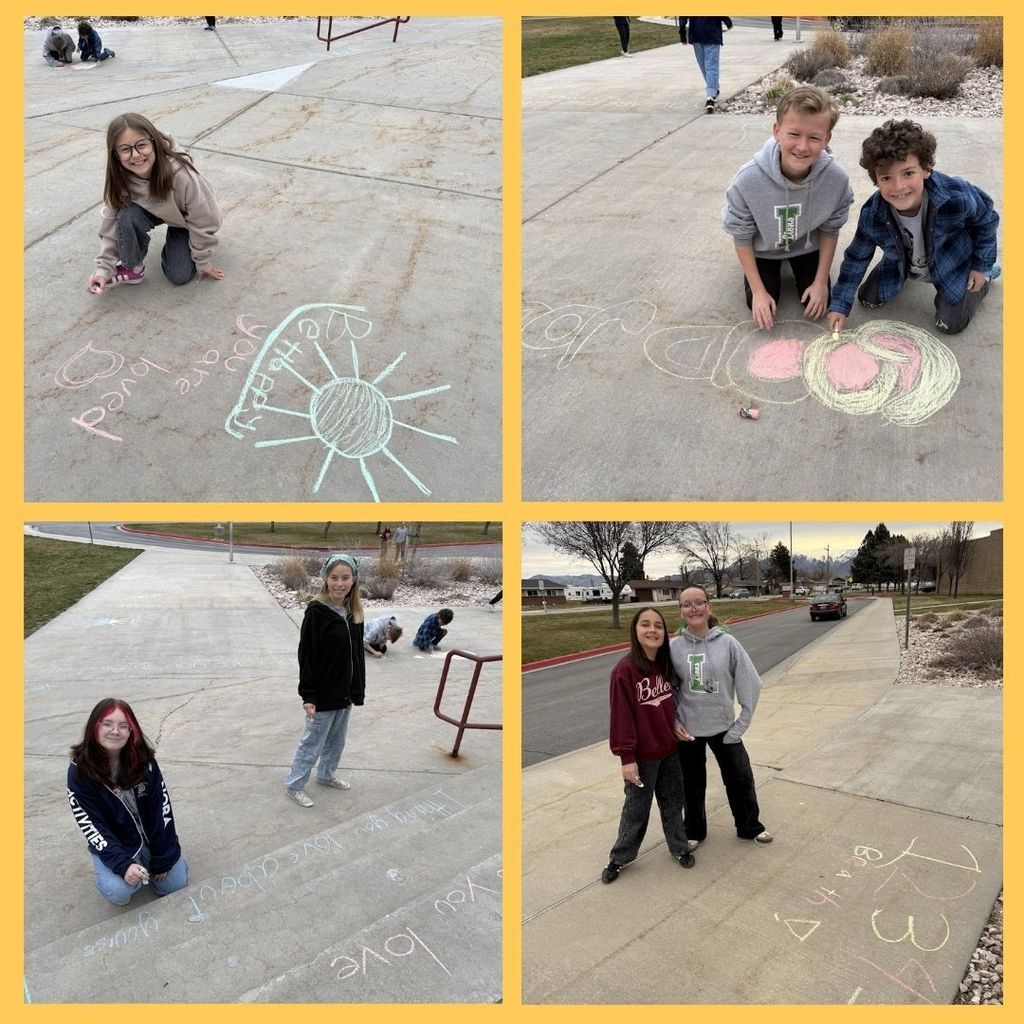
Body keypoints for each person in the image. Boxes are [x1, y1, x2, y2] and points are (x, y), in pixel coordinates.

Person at [827, 119, 1000, 337]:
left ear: (926, 169)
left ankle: (985, 278)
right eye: (887, 177)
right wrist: (840, 304)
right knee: (866, 299)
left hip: (952, 263)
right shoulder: (873, 213)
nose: (898, 187)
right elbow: (856, 258)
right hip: (905, 262)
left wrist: (980, 265)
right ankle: (903, 262)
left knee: (949, 324)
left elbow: (987, 219)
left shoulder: (957, 195)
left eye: (908, 173)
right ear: (876, 180)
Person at [723, 84, 854, 329]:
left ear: (826, 139)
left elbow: (830, 229)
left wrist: (819, 284)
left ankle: (808, 276)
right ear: (777, 131)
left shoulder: (836, 180)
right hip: (764, 249)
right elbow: (741, 235)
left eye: (814, 137)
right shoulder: (748, 179)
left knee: (818, 302)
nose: (803, 146)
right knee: (759, 302)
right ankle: (766, 278)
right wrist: (759, 291)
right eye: (794, 134)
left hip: (805, 246)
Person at [671, 586, 773, 845]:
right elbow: (665, 689)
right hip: (688, 731)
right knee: (691, 786)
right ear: (681, 612)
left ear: (709, 607)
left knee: (740, 779)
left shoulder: (727, 643)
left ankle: (749, 826)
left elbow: (751, 683)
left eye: (699, 602)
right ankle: (693, 831)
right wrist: (673, 721)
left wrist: (742, 723)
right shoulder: (673, 648)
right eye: (686, 604)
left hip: (725, 728)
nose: (693, 608)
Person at [602, 607, 696, 884]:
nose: (652, 630)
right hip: (641, 757)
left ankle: (679, 848)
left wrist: (674, 725)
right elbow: (621, 717)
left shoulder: (665, 666)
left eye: (657, 625)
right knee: (636, 810)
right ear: (636, 630)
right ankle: (619, 858)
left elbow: (668, 705)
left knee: (673, 804)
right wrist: (626, 757)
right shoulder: (625, 670)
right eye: (645, 624)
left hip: (669, 751)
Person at [86, 112, 224, 295]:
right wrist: (104, 270)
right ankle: (133, 268)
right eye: (125, 149)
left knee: (179, 276)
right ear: (115, 154)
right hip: (152, 209)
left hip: (185, 221)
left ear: (154, 143)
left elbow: (206, 218)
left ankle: (178, 238)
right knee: (126, 214)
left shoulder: (180, 174)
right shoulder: (119, 177)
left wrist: (202, 260)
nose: (135, 155)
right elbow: (110, 224)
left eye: (141, 145)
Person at [67, 699, 189, 905]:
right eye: (107, 724)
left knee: (175, 885)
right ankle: (116, 869)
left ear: (132, 731)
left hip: (149, 839)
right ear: (94, 727)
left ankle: (154, 862)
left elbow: (162, 810)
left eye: (123, 726)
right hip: (117, 844)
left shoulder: (144, 762)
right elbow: (92, 826)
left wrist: (163, 857)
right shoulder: (79, 772)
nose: (115, 731)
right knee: (119, 892)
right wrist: (123, 865)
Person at [285, 553, 366, 807]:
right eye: (334, 578)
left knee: (336, 741)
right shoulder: (316, 612)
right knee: (312, 742)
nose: (339, 583)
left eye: (345, 578)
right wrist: (308, 696)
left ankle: (326, 775)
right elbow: (306, 655)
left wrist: (358, 689)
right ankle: (295, 785)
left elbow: (356, 656)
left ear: (353, 581)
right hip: (322, 695)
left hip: (345, 694)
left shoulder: (353, 613)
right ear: (325, 579)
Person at [678, 17, 732, 114]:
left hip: (700, 33)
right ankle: (713, 89)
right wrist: (728, 22)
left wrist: (682, 32)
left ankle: (710, 96)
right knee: (707, 66)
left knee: (709, 66)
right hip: (707, 33)